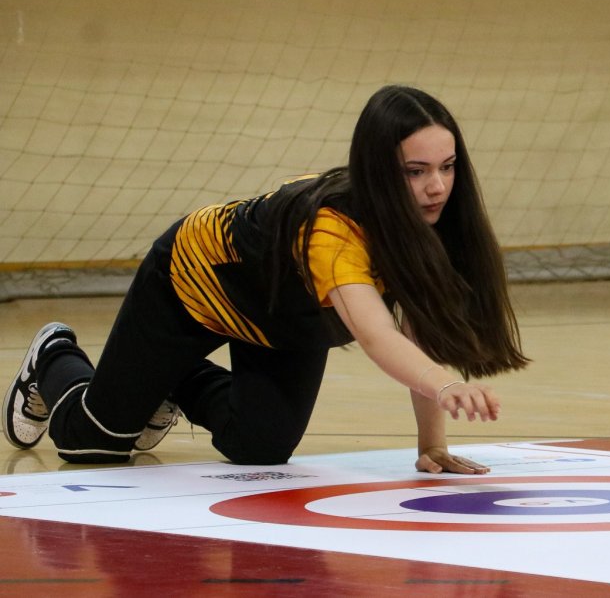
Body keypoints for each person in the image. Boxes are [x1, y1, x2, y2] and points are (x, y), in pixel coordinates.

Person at [3, 85, 529, 472]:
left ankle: (167, 379)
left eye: (448, 165)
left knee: (261, 449)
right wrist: (446, 385)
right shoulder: (335, 231)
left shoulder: (433, 222)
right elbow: (376, 334)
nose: (437, 185)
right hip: (193, 285)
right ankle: (53, 355)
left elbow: (416, 326)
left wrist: (430, 445)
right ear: (378, 171)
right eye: (416, 171)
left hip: (280, 316)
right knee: (91, 444)